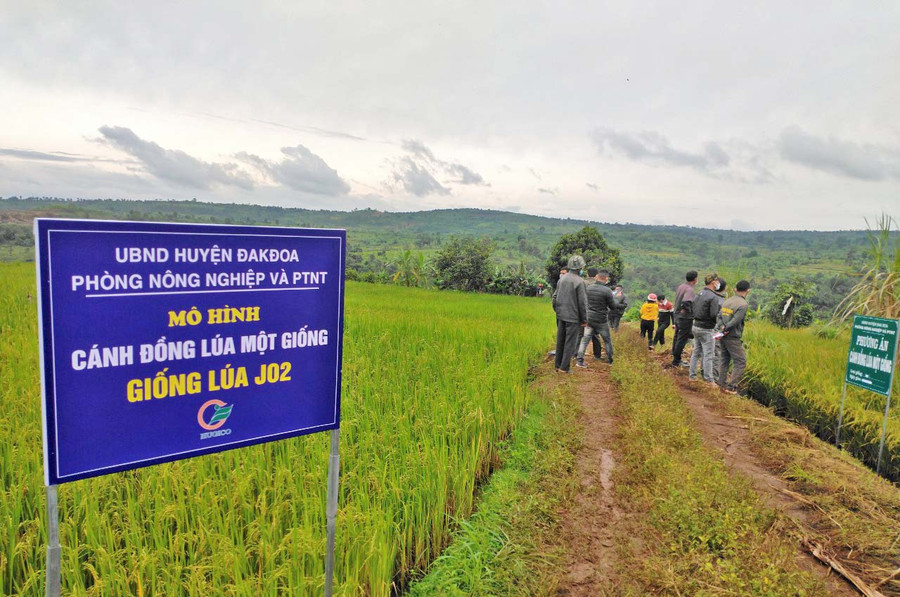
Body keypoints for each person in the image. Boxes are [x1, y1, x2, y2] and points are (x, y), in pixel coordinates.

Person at [553, 256, 588, 373]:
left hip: (560, 315)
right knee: (570, 343)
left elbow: (554, 297)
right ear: (580, 268)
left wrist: (557, 311)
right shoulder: (580, 282)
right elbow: (582, 303)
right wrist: (584, 319)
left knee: (560, 341)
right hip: (573, 317)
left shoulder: (562, 279)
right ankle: (564, 368)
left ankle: (557, 365)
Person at [576, 269, 616, 367]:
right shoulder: (607, 291)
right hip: (601, 320)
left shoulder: (589, 288)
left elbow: (584, 302)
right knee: (607, 340)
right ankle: (611, 360)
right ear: (606, 279)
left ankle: (579, 361)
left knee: (585, 339)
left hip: (589, 318)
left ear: (597, 277)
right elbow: (613, 306)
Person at [716, 280, 751, 393]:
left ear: (735, 289)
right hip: (732, 336)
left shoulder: (728, 301)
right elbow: (735, 321)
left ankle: (721, 383)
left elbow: (719, 316)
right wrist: (726, 329)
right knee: (741, 361)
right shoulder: (743, 304)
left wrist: (722, 328)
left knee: (724, 359)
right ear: (748, 291)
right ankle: (731, 387)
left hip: (723, 335)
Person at [690, 273, 721, 383]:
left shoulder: (700, 293)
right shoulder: (713, 297)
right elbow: (713, 314)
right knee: (709, 355)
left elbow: (693, 308)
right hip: (706, 329)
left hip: (695, 326)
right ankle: (709, 379)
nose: (718, 283)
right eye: (717, 281)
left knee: (696, 352)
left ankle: (692, 376)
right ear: (713, 282)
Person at [671, 271, 698, 368]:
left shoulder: (681, 286)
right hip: (684, 317)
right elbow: (686, 302)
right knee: (682, 338)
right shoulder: (689, 289)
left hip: (677, 315)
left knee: (677, 336)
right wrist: (691, 313)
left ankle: (674, 355)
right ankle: (676, 361)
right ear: (695, 279)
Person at [582, 267, 604, 358]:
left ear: (587, 274)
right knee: (595, 334)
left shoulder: (582, 283)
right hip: (595, 312)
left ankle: (577, 353)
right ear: (596, 276)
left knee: (580, 334)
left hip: (583, 311)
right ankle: (597, 354)